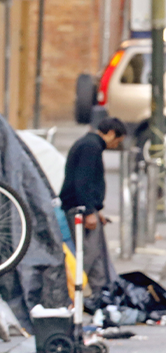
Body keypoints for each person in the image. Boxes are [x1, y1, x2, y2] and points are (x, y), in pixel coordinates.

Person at [58, 116, 126, 297]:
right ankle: (82, 292)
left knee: (94, 252)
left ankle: (101, 292)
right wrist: (89, 211)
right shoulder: (91, 147)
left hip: (82, 206)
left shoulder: (89, 144)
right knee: (90, 253)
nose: (116, 145)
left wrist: (97, 210)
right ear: (111, 134)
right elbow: (83, 181)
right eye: (118, 141)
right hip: (79, 208)